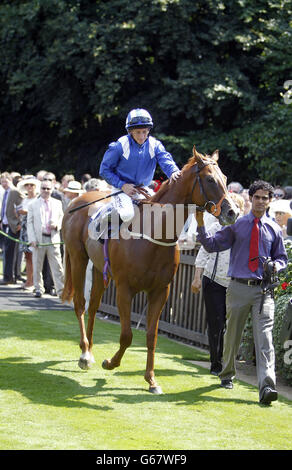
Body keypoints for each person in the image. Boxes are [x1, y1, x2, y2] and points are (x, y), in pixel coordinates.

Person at [196, 180, 287, 405]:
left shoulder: (274, 229)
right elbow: (211, 244)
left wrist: (276, 266)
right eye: (257, 197)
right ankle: (226, 374)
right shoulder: (237, 225)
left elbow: (282, 259)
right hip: (237, 288)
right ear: (251, 199)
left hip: (264, 291)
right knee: (232, 334)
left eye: (265, 198)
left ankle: (267, 386)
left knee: (265, 338)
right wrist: (200, 226)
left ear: (270, 201)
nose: (260, 201)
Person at [191, 193, 245, 375]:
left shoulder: (243, 232)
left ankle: (228, 362)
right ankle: (216, 364)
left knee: (232, 325)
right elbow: (203, 254)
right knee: (215, 323)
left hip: (236, 284)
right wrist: (197, 278)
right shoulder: (214, 228)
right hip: (213, 281)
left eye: (233, 207)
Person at [99, 108, 181, 223]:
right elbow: (104, 170)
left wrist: (173, 171)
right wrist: (122, 185)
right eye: (138, 132)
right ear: (130, 131)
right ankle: (106, 217)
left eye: (145, 131)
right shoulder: (119, 146)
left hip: (143, 189)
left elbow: (165, 160)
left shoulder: (155, 145)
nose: (142, 136)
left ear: (148, 130)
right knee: (127, 214)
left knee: (160, 212)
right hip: (121, 189)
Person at [27, 179, 64, 298]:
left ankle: (61, 290)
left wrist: (57, 225)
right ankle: (38, 288)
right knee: (37, 265)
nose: (46, 191)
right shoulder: (33, 204)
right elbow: (29, 223)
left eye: (48, 188)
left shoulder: (57, 203)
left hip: (53, 238)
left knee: (57, 266)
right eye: (43, 188)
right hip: (38, 239)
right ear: (40, 189)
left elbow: (62, 218)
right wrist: (32, 239)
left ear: (52, 190)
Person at [0, 172, 24, 284]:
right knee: (7, 251)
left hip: (13, 226)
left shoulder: (14, 191)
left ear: (10, 180)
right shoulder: (6, 192)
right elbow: (5, 208)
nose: (3, 184)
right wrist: (2, 220)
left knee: (11, 251)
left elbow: (22, 207)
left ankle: (9, 277)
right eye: (1, 182)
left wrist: (19, 223)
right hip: (5, 224)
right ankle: (8, 276)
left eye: (5, 181)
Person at [16, 176, 40, 290]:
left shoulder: (37, 200)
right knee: (27, 257)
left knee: (33, 256)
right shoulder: (24, 200)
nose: (29, 187)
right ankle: (29, 281)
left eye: (32, 185)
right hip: (24, 229)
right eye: (27, 185)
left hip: (32, 229)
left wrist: (24, 212)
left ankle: (33, 282)